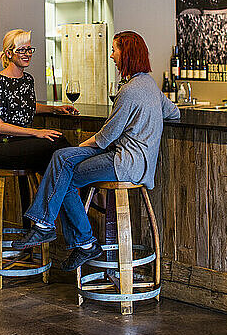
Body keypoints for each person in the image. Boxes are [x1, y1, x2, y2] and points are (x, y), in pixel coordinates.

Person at [12, 31, 180, 271]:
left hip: (125, 162)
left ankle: (72, 238)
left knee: (66, 174)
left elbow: (106, 136)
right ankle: (49, 228)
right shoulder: (148, 84)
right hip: (132, 159)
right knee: (62, 159)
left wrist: (81, 146)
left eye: (114, 50)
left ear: (127, 54)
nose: (112, 56)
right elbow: (174, 112)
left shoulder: (130, 90)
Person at [0, 29, 79, 173]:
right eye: (21, 50)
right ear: (9, 53)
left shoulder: (27, 80)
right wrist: (36, 132)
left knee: (56, 156)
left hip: (21, 142)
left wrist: (54, 109)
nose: (27, 54)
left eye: (29, 49)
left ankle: (59, 193)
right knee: (55, 145)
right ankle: (80, 189)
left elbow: (27, 106)